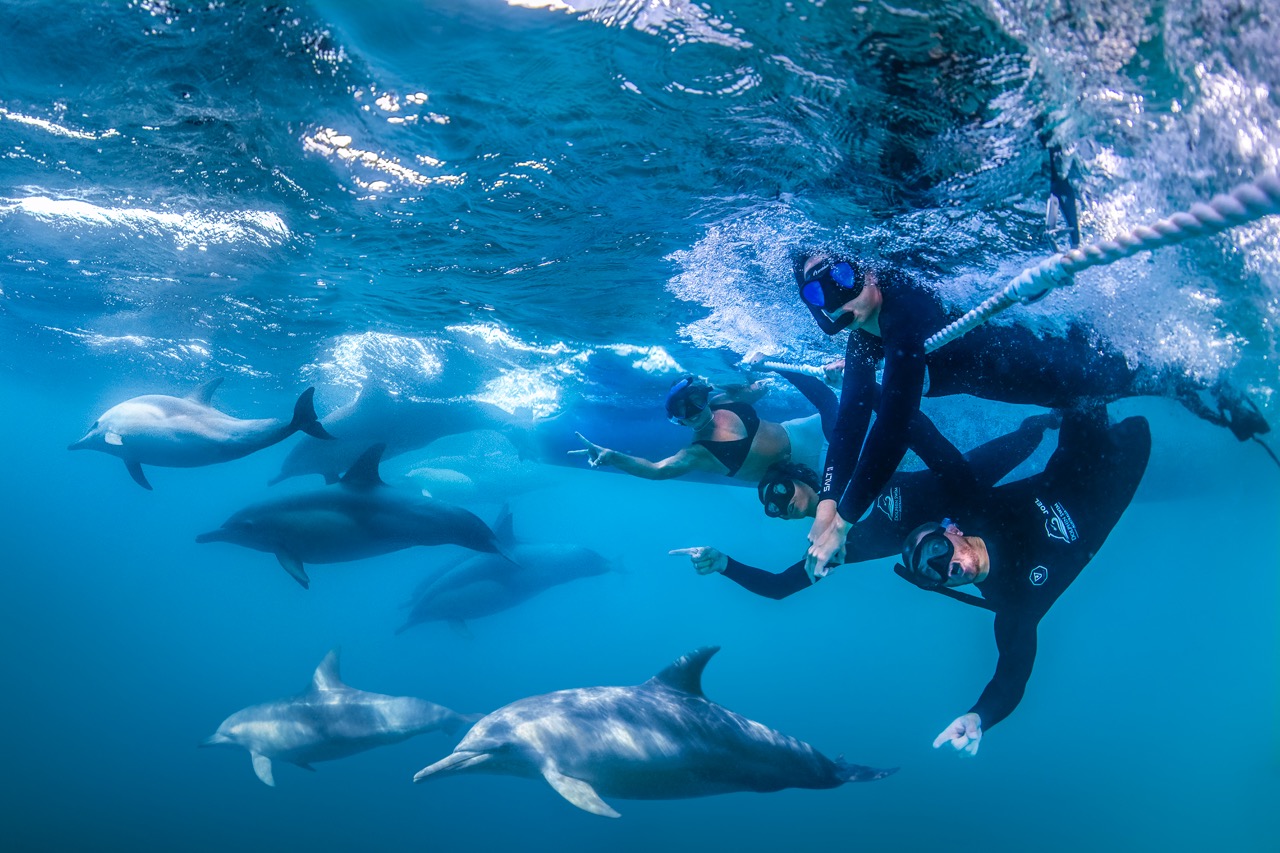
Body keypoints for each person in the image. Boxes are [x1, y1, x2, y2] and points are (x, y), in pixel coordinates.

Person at [682, 405, 1151, 755]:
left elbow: (902, 424)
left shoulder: (966, 507)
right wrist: (979, 715)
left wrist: (873, 371)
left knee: (1079, 392)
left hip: (1033, 471)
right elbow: (1011, 676)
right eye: (936, 575)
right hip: (1119, 469)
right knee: (1125, 421)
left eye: (940, 555)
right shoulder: (1013, 602)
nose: (949, 568)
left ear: (951, 531)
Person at [796, 252, 1270, 578]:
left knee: (1139, 378)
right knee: (1111, 390)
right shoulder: (864, 337)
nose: (842, 295)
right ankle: (1197, 392)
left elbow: (896, 422)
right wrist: (827, 501)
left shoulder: (903, 308)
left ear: (861, 266)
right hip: (1036, 390)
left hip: (1054, 370)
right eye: (821, 295)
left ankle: (1208, 386)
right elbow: (853, 417)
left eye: (841, 276)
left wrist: (845, 519)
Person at [672, 411, 1058, 597]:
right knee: (1047, 500)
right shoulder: (834, 548)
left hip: (960, 478)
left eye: (779, 491)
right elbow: (778, 587)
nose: (779, 505)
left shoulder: (843, 475)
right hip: (975, 528)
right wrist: (724, 564)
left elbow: (867, 424)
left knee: (1028, 438)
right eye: (771, 508)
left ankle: (1057, 417)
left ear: (801, 476)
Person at [570, 373, 830, 484]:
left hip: (800, 432)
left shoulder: (722, 401)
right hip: (801, 472)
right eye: (683, 411)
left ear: (703, 395)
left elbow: (762, 387)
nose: (693, 412)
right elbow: (656, 471)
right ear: (678, 419)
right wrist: (614, 456)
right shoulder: (697, 453)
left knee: (854, 416)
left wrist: (734, 380)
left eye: (695, 401)